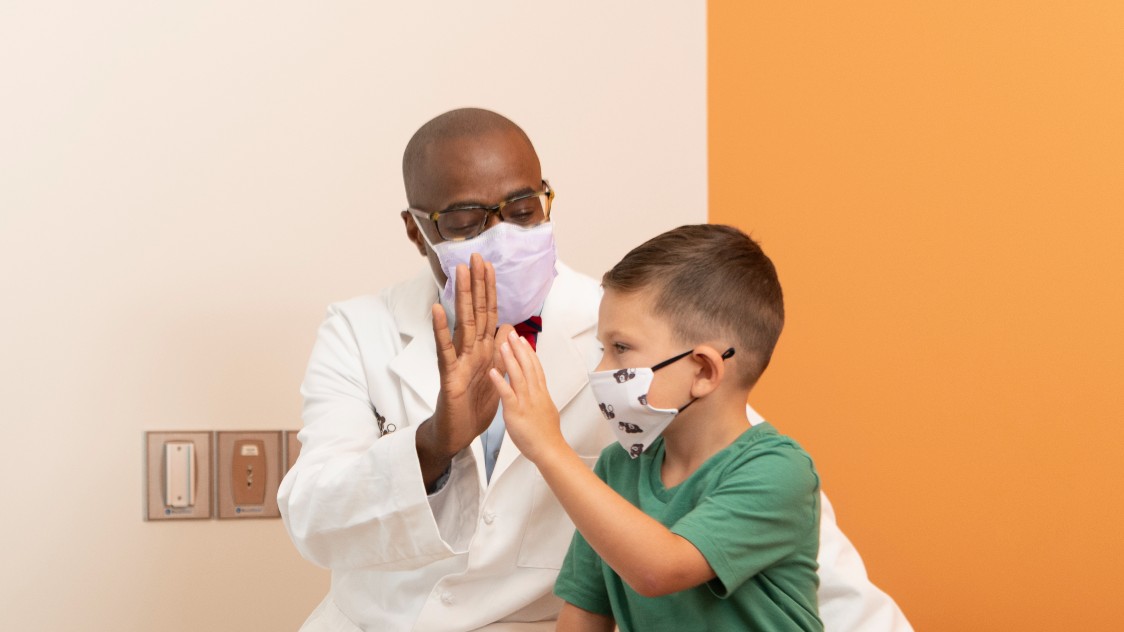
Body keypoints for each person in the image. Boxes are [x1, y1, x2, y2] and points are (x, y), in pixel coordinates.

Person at [278, 108, 913, 631]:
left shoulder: (632, 331)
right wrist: (433, 444)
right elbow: (311, 520)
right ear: (418, 232)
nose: (502, 236)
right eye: (467, 221)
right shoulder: (358, 331)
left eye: (523, 209)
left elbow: (746, 480)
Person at [491, 224, 820, 631]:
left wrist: (548, 447)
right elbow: (583, 617)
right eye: (602, 349)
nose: (601, 370)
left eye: (621, 348)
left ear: (703, 370)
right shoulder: (618, 468)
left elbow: (659, 569)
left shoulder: (778, 470)